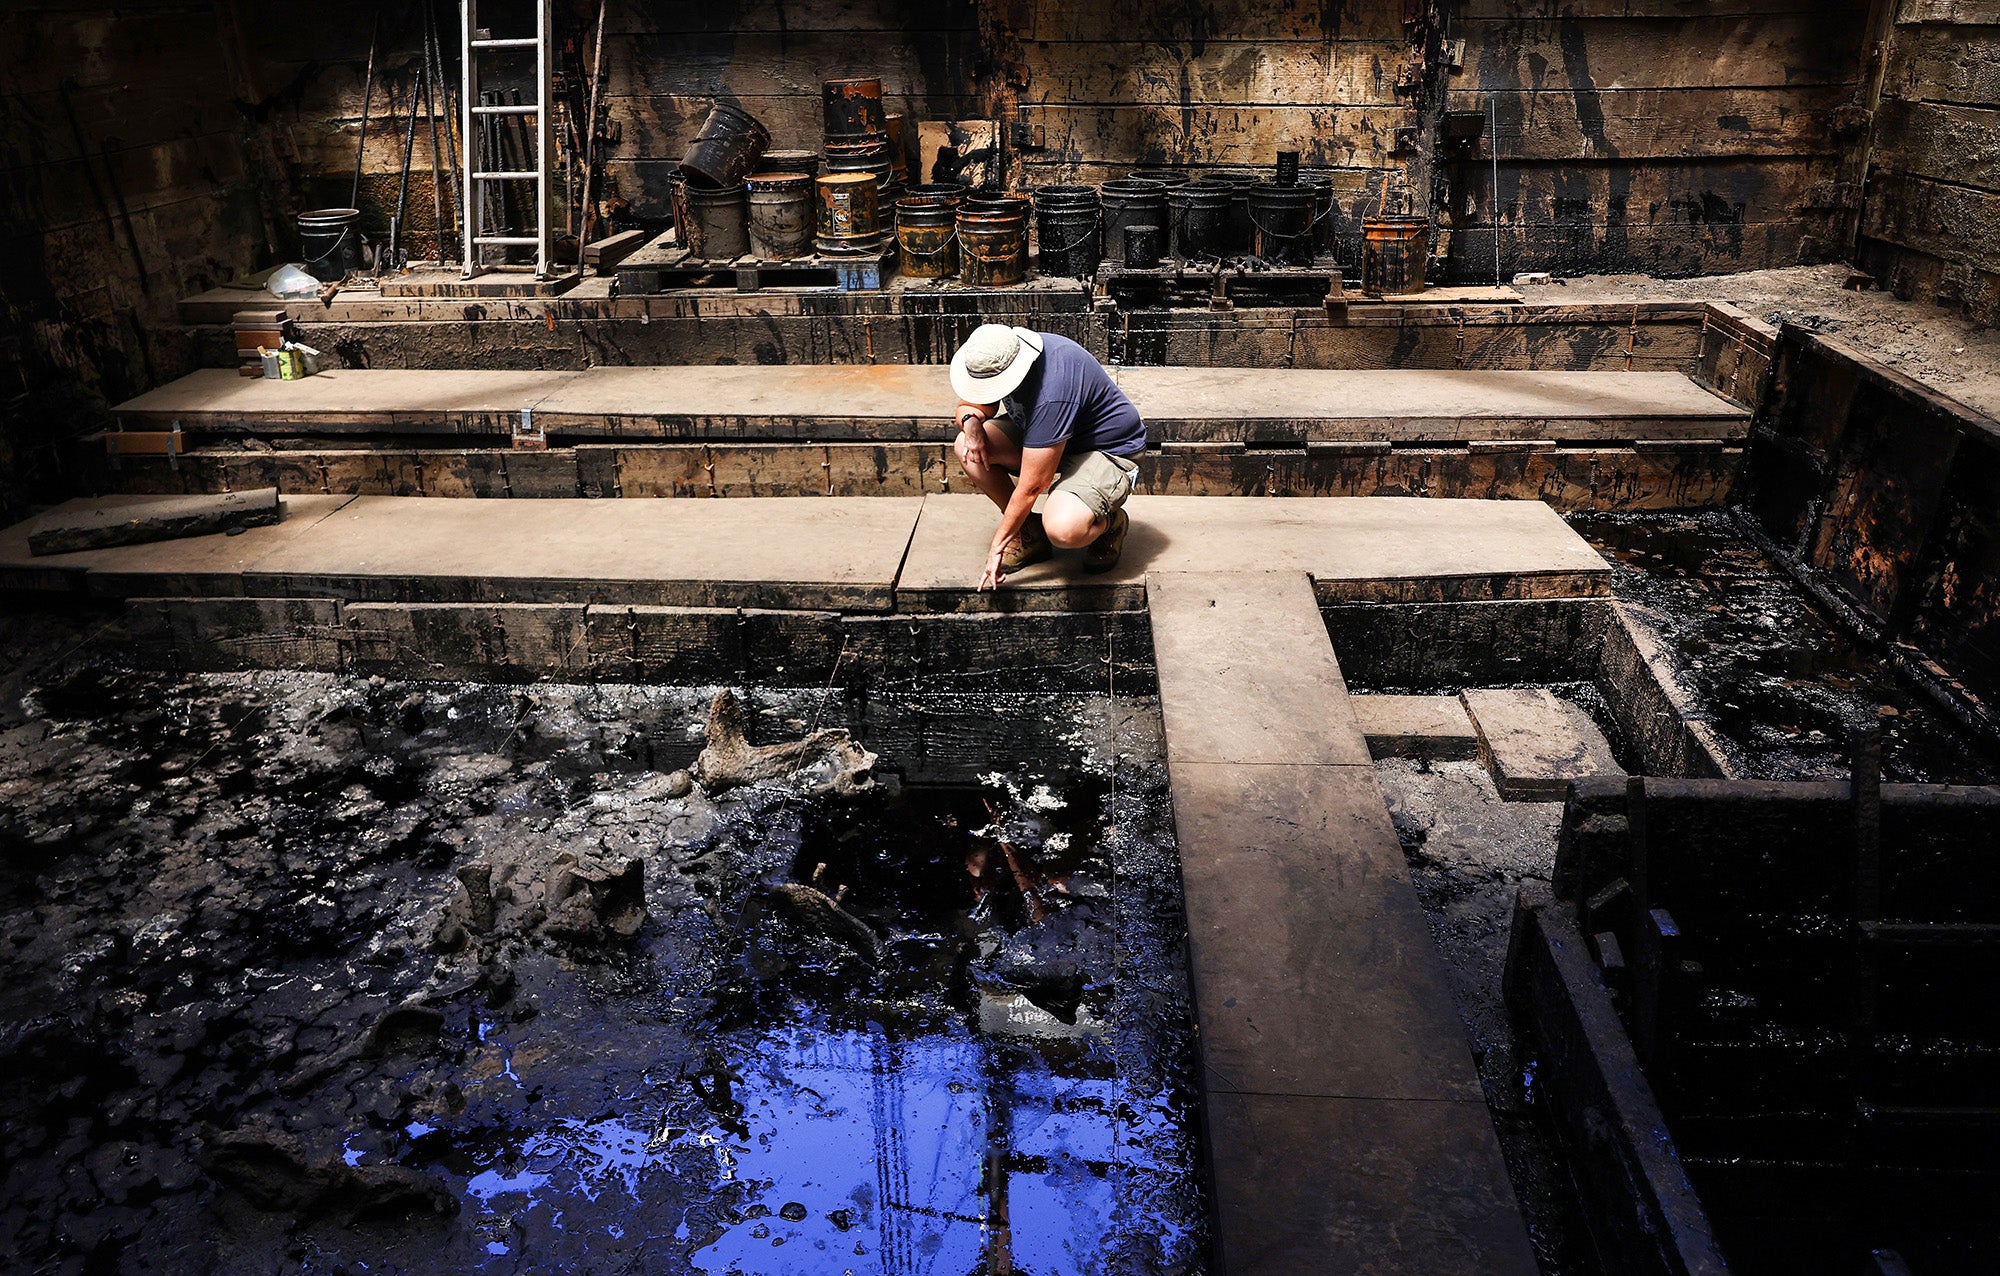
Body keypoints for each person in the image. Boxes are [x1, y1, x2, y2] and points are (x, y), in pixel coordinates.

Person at [949, 324, 1147, 590]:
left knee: (1063, 529)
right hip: (1047, 436)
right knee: (966, 447)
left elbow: (1033, 486)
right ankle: (1030, 533)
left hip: (1106, 450)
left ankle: (1111, 523)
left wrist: (998, 545)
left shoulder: (1052, 390)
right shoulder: (1002, 354)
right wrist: (971, 424)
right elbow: (971, 405)